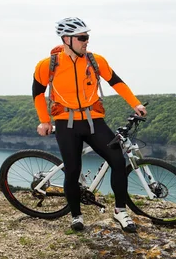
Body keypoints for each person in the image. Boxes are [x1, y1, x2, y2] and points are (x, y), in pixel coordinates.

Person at [32, 17, 146, 232]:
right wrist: (44, 121)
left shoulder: (95, 61)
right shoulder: (48, 65)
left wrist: (136, 103)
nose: (86, 41)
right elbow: (37, 92)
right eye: (82, 37)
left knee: (117, 161)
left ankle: (120, 211)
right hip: (66, 123)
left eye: (87, 37)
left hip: (94, 120)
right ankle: (76, 215)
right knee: (73, 170)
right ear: (67, 39)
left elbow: (117, 82)